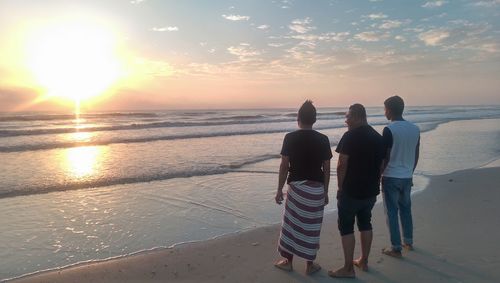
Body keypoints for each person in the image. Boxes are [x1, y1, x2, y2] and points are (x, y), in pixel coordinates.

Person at [274, 100, 332, 275]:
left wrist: (279, 189)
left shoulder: (290, 138)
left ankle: (288, 262)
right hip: (316, 190)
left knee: (291, 226)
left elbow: (284, 166)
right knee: (312, 227)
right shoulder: (323, 139)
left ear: (298, 118)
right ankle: (310, 265)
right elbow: (327, 168)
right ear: (314, 119)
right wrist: (326, 192)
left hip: (297, 190)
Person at [328, 104, 384, 278]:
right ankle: (363, 261)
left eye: (348, 116)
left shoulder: (350, 136)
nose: (346, 120)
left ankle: (348, 268)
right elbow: (383, 163)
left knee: (346, 227)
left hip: (351, 190)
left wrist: (339, 187)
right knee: (365, 223)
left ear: (358, 116)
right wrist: (375, 178)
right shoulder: (378, 137)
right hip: (370, 191)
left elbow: (341, 164)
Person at [381, 95, 420, 258]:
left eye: (385, 109)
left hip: (391, 175)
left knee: (391, 211)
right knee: (405, 209)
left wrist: (380, 173)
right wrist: (410, 171)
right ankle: (408, 241)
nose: (384, 113)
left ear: (389, 110)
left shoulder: (389, 129)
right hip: (406, 175)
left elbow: (386, 156)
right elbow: (416, 153)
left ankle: (396, 247)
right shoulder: (415, 128)